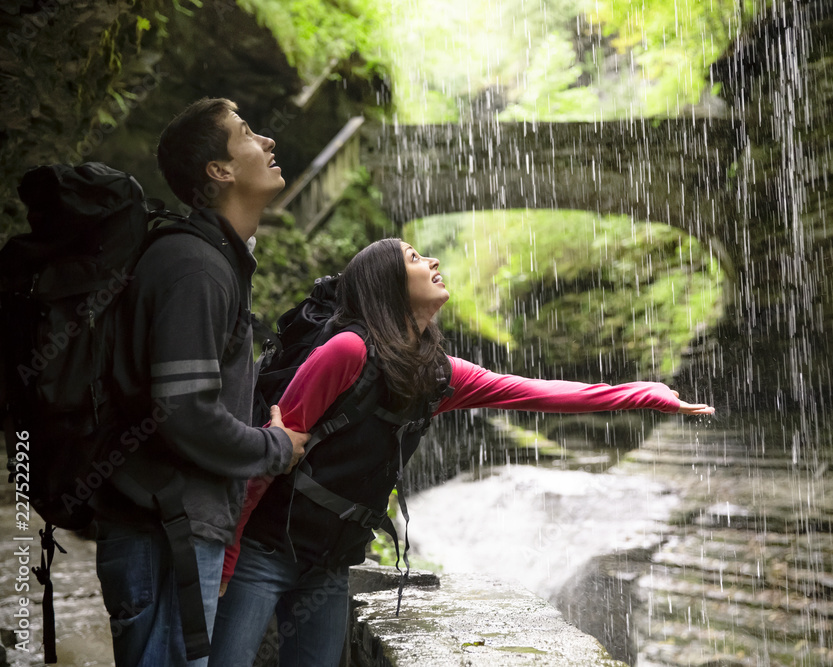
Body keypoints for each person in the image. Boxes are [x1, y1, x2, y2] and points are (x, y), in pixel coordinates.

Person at [208, 237, 714, 666]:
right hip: (264, 550)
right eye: (413, 258)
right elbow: (270, 457)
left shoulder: (437, 373)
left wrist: (645, 394)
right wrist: (226, 559)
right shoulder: (345, 350)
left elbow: (537, 392)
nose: (431, 262)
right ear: (386, 285)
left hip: (330, 563)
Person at [89, 97, 310, 666]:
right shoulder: (195, 266)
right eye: (246, 133)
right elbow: (184, 410)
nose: (268, 141)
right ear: (219, 171)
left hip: (172, 528)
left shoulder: (213, 259)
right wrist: (273, 447)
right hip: (163, 533)